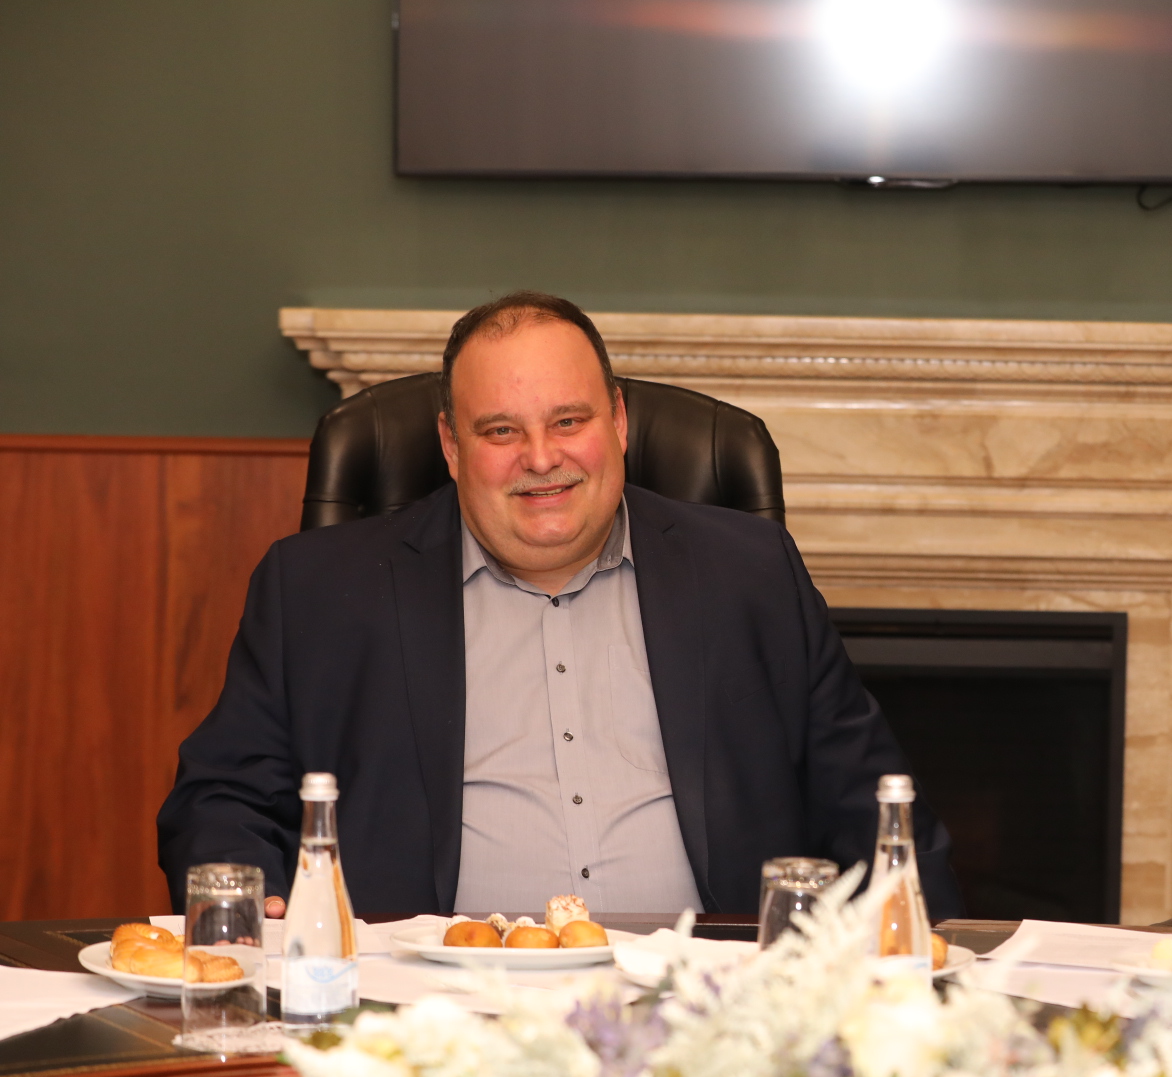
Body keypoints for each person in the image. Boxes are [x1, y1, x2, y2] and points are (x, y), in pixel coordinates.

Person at [158, 292, 963, 920]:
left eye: (568, 421)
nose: (541, 458)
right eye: (500, 431)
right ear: (451, 447)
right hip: (424, 1008)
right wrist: (253, 900)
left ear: (618, 422)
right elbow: (221, 797)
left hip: (707, 999)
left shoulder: (748, 573)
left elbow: (874, 804)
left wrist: (915, 965)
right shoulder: (318, 590)